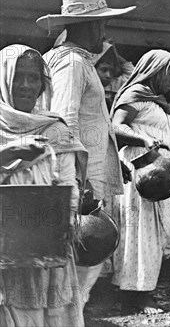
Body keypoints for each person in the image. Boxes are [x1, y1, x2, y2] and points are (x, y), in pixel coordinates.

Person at [36, 0, 135, 306]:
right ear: (91, 23)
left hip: (84, 178)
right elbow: (64, 123)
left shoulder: (74, 60)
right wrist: (80, 185)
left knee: (79, 273)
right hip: (80, 184)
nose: (104, 30)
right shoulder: (73, 63)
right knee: (76, 275)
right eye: (103, 22)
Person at [0, 45, 87, 326]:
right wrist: (8, 154)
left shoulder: (55, 130)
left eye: (33, 77)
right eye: (17, 77)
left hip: (46, 246)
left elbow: (68, 186)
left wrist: (64, 223)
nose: (26, 85)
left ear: (43, 83)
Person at [110, 50, 170, 314]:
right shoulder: (135, 95)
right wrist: (143, 141)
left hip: (158, 170)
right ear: (156, 71)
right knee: (139, 232)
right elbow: (115, 126)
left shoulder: (156, 101)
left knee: (153, 232)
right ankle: (135, 295)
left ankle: (144, 290)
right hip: (140, 166)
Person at [94, 42, 134, 110]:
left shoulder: (116, 84)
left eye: (111, 71)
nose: (108, 75)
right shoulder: (88, 82)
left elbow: (131, 71)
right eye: (104, 70)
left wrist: (112, 52)